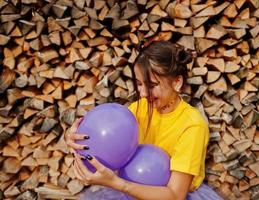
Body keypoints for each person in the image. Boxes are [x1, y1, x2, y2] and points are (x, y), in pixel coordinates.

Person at [66, 41, 223, 200]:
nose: (142, 93)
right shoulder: (139, 108)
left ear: (177, 82)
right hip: (131, 191)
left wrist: (117, 183)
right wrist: (76, 138)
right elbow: (107, 141)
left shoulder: (192, 125)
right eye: (139, 84)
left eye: (152, 85)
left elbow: (175, 195)